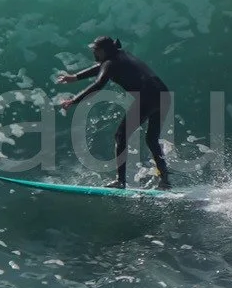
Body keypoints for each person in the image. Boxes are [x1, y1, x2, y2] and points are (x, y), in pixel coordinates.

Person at [57, 36, 172, 189]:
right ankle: (165, 181)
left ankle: (120, 181)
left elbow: (99, 84)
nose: (94, 53)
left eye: (95, 50)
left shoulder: (110, 63)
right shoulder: (121, 54)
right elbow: (101, 68)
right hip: (163, 95)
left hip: (147, 97)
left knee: (120, 135)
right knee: (151, 139)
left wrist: (74, 100)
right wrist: (76, 77)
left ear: (103, 51)